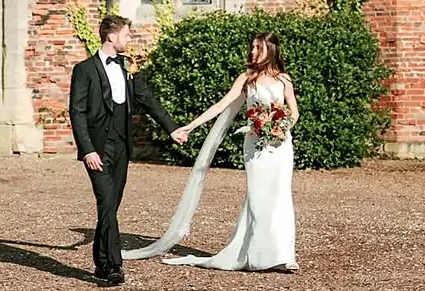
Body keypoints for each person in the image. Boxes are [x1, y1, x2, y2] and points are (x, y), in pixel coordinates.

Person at [123, 30, 299, 272]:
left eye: (259, 47)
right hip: (255, 146)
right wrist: (190, 126)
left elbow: (294, 110)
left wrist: (282, 126)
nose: (253, 52)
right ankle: (258, 254)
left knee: (281, 195)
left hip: (280, 146)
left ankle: (284, 255)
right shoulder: (247, 79)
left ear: (272, 49)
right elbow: (220, 106)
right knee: (258, 197)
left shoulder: (284, 80)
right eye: (252, 47)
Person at [69, 13, 188, 286]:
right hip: (98, 150)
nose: (129, 39)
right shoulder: (84, 70)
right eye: (127, 35)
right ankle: (113, 266)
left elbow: (148, 101)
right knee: (107, 202)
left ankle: (100, 262)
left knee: (111, 206)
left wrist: (172, 129)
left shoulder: (128, 69)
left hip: (122, 148)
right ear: (111, 36)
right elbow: (77, 113)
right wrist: (87, 150)